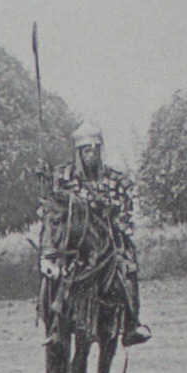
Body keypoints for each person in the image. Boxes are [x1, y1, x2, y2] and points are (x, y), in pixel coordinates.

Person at [46, 123, 151, 346]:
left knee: (127, 266)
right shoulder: (65, 176)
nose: (91, 155)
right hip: (75, 239)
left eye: (95, 150)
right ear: (79, 153)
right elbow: (56, 201)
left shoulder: (114, 178)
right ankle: (55, 324)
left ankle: (132, 323)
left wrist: (116, 212)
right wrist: (43, 174)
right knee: (58, 271)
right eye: (86, 151)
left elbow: (127, 203)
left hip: (109, 236)